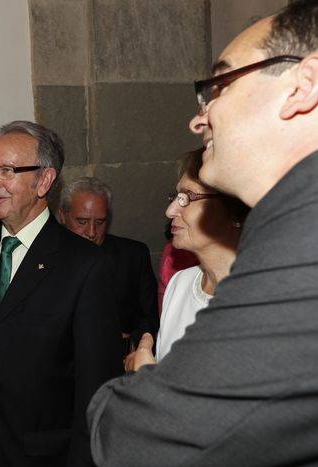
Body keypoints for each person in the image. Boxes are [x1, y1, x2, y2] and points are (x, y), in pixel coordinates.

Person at [88, 1, 318, 464]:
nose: (199, 118)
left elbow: (134, 438)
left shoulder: (303, 241)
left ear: (303, 86)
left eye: (222, 85)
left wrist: (143, 379)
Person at [0, 121, 122, 466]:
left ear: (44, 181)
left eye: (6, 170)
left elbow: (96, 392)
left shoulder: (87, 265)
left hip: (44, 457)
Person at [156, 150, 246, 361]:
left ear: (235, 210)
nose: (170, 211)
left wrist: (143, 377)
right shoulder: (180, 283)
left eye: (187, 197)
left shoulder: (264, 296)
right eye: (175, 197)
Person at [58, 176, 159, 356]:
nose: (91, 232)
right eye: (81, 222)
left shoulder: (133, 256)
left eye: (100, 222)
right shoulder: (45, 258)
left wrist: (131, 342)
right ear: (62, 216)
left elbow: (150, 318)